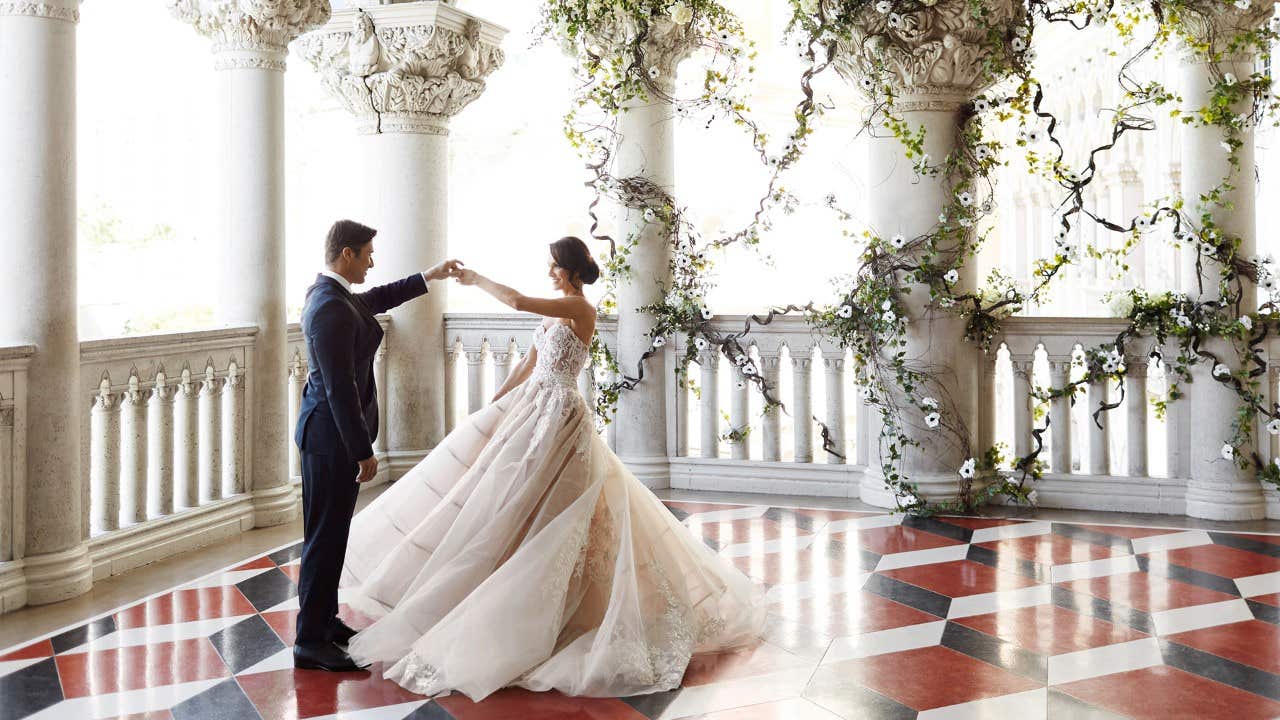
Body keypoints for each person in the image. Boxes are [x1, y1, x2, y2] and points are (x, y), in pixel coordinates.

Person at [339, 236, 765, 700]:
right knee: (506, 505)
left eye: (554, 267)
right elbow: (529, 361)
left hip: (560, 414)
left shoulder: (581, 309)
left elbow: (518, 301)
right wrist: (496, 404)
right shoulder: (556, 309)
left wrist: (475, 278)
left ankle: (562, 611)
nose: (549, 273)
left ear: (571, 270)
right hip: (531, 407)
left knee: (556, 509)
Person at [293, 218, 462, 672]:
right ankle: (309, 641)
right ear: (346, 254)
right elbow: (339, 388)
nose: (372, 261)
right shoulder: (328, 306)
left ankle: (325, 621)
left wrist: (430, 275)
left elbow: (378, 298)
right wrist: (362, 450)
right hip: (329, 440)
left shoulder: (336, 296)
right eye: (367, 253)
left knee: (330, 537)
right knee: (323, 540)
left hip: (331, 437)